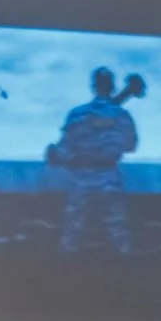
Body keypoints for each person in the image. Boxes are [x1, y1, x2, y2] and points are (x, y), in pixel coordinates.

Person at [47, 67, 141, 253]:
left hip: (81, 178)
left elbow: (64, 150)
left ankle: (66, 268)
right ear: (112, 88)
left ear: (93, 87)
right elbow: (131, 145)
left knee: (73, 232)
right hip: (110, 176)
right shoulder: (122, 116)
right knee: (118, 231)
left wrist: (54, 154)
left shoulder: (77, 114)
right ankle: (127, 268)